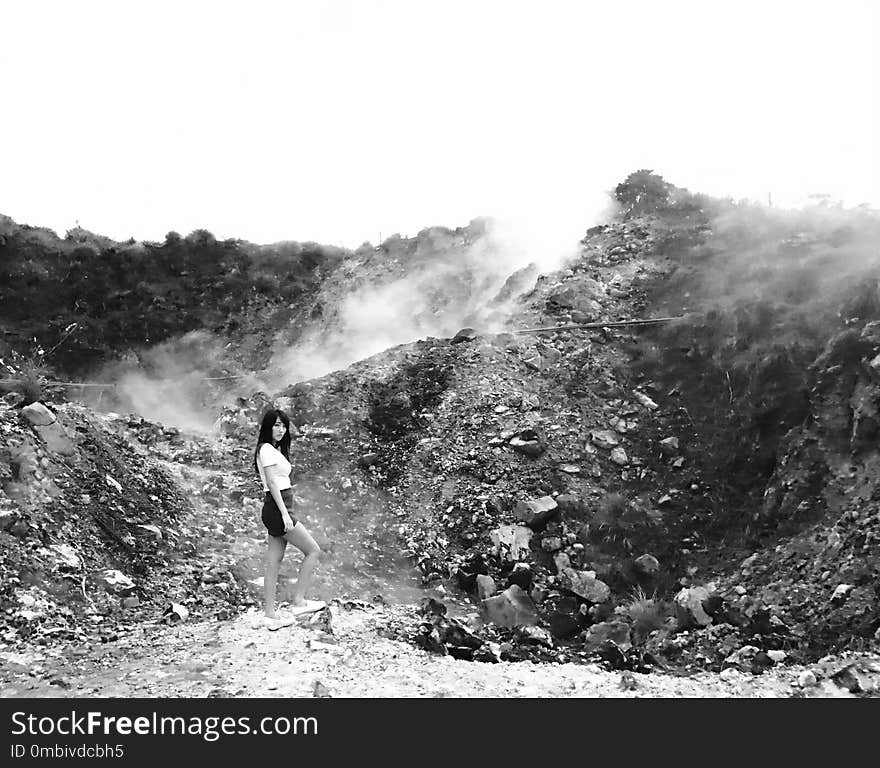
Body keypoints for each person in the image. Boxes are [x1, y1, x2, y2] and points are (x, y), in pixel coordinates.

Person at [254, 408, 324, 624]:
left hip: (277, 507)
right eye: (276, 425)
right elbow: (272, 482)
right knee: (313, 550)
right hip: (278, 507)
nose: (281, 429)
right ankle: (299, 601)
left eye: (283, 425)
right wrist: (285, 513)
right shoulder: (266, 449)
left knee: (273, 562)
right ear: (268, 426)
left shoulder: (272, 450)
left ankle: (269, 615)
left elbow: (280, 480)